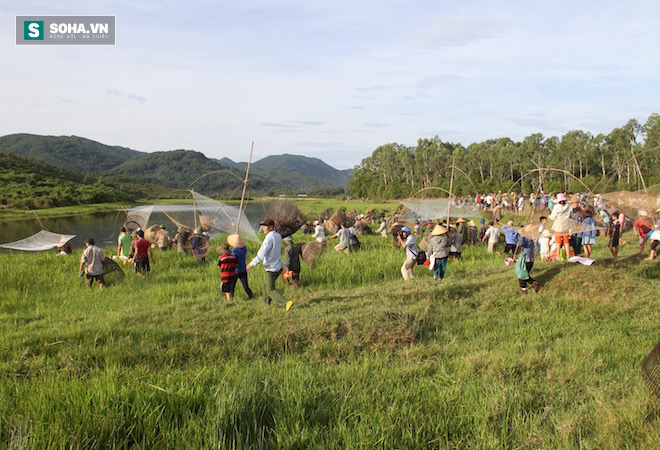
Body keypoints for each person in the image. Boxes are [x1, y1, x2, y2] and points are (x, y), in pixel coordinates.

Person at [246, 219, 293, 312]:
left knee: (271, 289)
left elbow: (261, 254)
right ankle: (266, 304)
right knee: (266, 286)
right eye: (262, 226)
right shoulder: (278, 236)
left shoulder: (269, 238)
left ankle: (286, 302)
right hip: (278, 266)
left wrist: (251, 264)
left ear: (271, 227)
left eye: (265, 226)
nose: (263, 228)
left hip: (271, 268)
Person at [227, 234, 254, 299]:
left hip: (236, 271)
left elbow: (233, 259)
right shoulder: (245, 248)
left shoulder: (234, 250)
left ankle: (231, 298)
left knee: (232, 286)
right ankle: (252, 296)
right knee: (245, 286)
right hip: (243, 270)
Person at [548, 192, 572, 261]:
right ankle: (568, 257)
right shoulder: (568, 207)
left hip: (558, 227)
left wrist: (549, 217)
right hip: (566, 225)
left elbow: (553, 217)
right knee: (566, 242)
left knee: (558, 243)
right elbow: (571, 214)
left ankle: (558, 257)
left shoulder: (556, 207)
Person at [516, 230, 540, 295]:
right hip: (530, 259)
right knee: (524, 274)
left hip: (526, 259)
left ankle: (524, 290)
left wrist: (522, 237)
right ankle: (534, 283)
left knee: (522, 275)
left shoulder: (528, 239)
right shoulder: (532, 238)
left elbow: (521, 244)